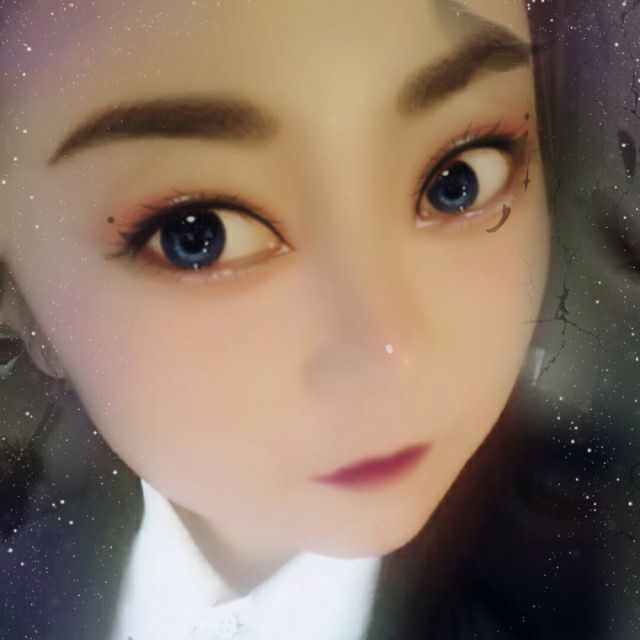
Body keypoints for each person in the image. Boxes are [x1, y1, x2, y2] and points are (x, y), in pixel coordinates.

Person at [1, 0, 637, 638]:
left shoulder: (593, 581)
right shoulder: (31, 563)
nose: (384, 355)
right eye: (198, 236)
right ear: (18, 299)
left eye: (458, 180)